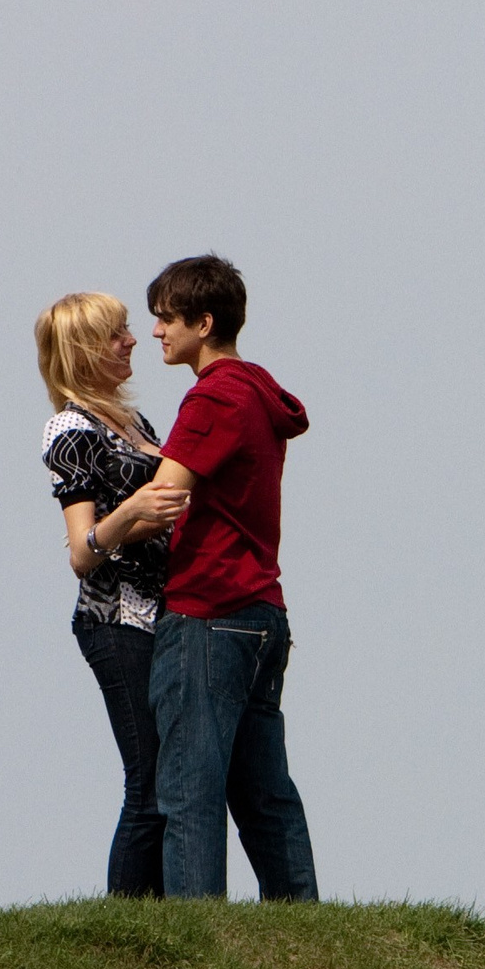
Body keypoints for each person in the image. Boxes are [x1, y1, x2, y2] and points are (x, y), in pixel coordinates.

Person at [141, 254, 320, 900]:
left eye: (167, 318)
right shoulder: (257, 391)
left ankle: (197, 938)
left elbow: (166, 496)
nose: (157, 330)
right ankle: (307, 926)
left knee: (190, 787)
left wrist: (98, 535)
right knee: (266, 791)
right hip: (261, 610)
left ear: (204, 322)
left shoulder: (212, 396)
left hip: (207, 610)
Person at [35, 293, 192, 897]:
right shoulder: (70, 430)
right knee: (148, 781)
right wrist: (131, 512)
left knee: (168, 781)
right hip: (115, 617)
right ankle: (126, 924)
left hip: (163, 615)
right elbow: (81, 551)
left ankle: (159, 918)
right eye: (116, 335)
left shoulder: (135, 424)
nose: (133, 340)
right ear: (82, 353)